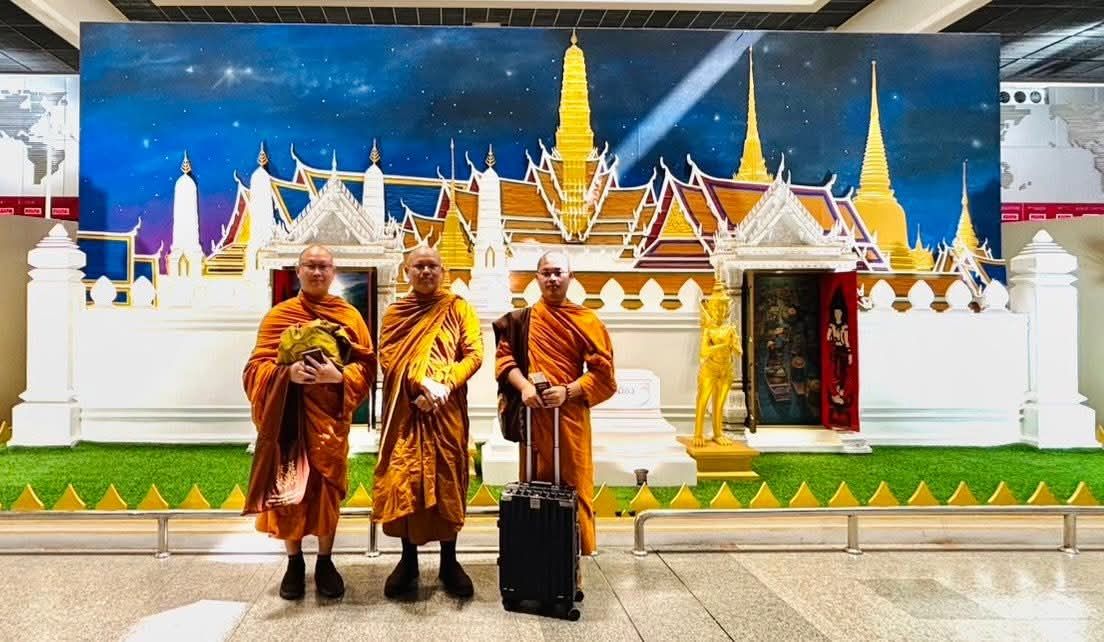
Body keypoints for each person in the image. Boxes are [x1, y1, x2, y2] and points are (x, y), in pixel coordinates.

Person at [242, 244, 376, 600]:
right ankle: (294, 561)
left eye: (324, 266)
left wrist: (339, 376)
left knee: (327, 492)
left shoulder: (349, 316)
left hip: (329, 422)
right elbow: (254, 369)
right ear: (298, 271)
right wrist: (287, 374)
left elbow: (367, 365)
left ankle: (326, 561)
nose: (317, 272)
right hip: (290, 421)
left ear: (333, 272)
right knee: (290, 491)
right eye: (310, 266)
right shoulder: (279, 316)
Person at [374, 246, 484, 599]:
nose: (425, 271)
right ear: (406, 271)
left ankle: (450, 561)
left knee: (446, 478)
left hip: (446, 412)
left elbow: (474, 354)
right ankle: (408, 561)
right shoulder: (396, 313)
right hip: (407, 412)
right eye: (418, 266)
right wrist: (421, 386)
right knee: (406, 479)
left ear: (443, 270)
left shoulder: (458, 308)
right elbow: (389, 359)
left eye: (432, 266)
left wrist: (444, 385)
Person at [494, 250, 616, 557]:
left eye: (558, 272)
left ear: (570, 277)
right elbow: (504, 360)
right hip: (533, 417)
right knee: (532, 483)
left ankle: (576, 555)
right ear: (536, 278)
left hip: (569, 418)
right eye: (546, 272)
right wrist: (524, 387)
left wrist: (568, 391)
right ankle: (535, 556)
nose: (552, 278)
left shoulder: (586, 320)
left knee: (575, 483)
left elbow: (604, 373)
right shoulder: (521, 321)